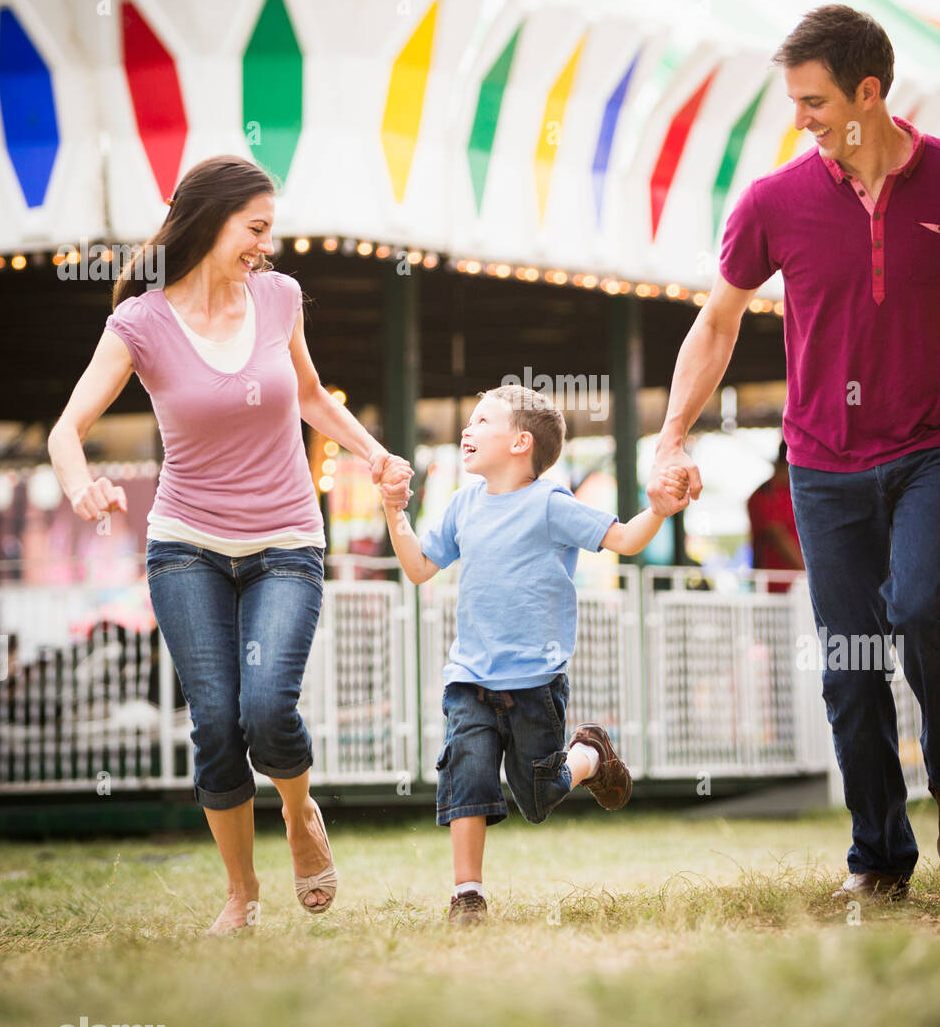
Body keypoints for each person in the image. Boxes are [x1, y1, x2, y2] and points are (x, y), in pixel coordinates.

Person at [645, 5, 940, 900]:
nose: (801, 119)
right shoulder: (773, 202)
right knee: (849, 660)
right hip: (823, 462)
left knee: (919, 604)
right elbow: (717, 323)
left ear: (870, 92)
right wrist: (672, 434)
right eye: (794, 100)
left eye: (815, 100)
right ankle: (879, 858)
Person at [47, 154, 412, 935]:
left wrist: (372, 454)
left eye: (268, 231)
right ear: (210, 220)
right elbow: (66, 430)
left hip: (285, 538)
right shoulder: (141, 322)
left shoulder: (278, 299)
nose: (265, 246)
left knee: (268, 706)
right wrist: (81, 485)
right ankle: (240, 896)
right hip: (185, 547)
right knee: (215, 721)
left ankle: (299, 810)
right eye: (255, 228)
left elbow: (311, 395)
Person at [376, 384, 689, 925]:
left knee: (538, 797)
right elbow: (421, 567)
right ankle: (467, 895)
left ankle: (590, 754)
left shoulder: (551, 505)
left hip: (535, 684)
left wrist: (657, 511)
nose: (466, 431)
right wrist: (393, 512)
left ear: (521, 442)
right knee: (468, 774)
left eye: (480, 422)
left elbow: (626, 540)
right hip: (469, 678)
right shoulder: (462, 504)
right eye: (468, 422)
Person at [747, 438, 804, 589]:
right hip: (777, 591)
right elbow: (779, 537)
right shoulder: (764, 495)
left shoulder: (798, 493)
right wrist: (812, 573)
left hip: (803, 588)